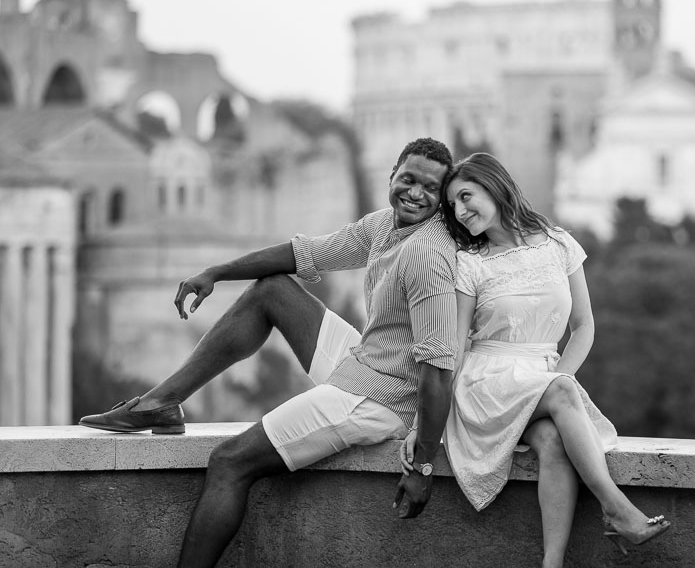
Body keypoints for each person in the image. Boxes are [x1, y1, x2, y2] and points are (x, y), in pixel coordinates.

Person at [79, 137, 459, 568]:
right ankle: (160, 403)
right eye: (408, 179)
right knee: (273, 290)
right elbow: (303, 253)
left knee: (228, 462)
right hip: (365, 361)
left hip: (383, 398)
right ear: (392, 175)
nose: (416, 193)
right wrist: (216, 273)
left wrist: (423, 467)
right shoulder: (384, 226)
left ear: (442, 200)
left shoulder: (429, 253)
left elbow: (439, 369)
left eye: (430, 188)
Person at [401, 152, 670, 567]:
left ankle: (552, 563)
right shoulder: (470, 265)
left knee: (552, 442)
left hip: (539, 377)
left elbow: (583, 327)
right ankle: (616, 509)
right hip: (485, 382)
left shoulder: (559, 243)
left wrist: (554, 382)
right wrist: (424, 427)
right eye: (453, 204)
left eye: (466, 196)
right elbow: (453, 349)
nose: (460, 210)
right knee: (562, 392)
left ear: (494, 186)